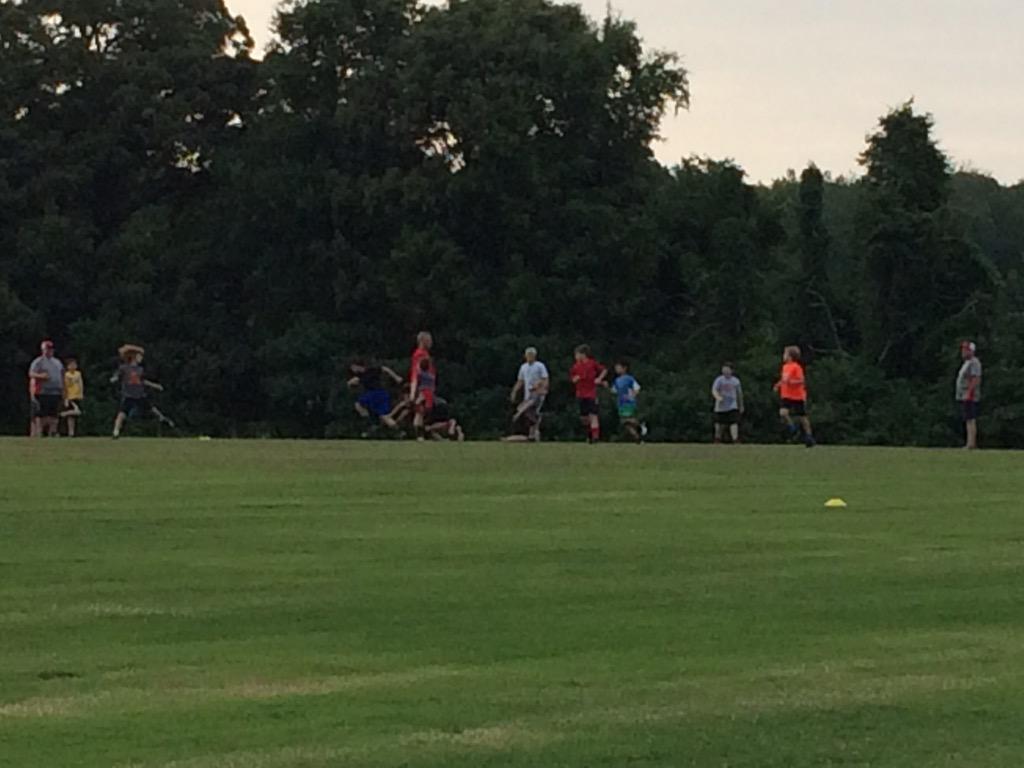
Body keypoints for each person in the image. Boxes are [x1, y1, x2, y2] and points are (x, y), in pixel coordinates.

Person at [110, 345, 174, 439]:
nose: (141, 358)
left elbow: (143, 381)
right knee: (122, 414)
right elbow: (117, 375)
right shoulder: (124, 368)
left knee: (151, 408)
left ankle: (162, 419)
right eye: (139, 356)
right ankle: (116, 432)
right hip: (128, 394)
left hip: (139, 394)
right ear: (134, 357)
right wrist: (114, 378)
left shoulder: (140, 369)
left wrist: (155, 385)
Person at [774, 345, 815, 447]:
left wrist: (791, 382)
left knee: (802, 416)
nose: (783, 356)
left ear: (790, 356)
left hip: (797, 396)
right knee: (783, 412)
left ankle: (809, 436)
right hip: (786, 394)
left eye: (785, 354)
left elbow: (801, 381)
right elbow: (784, 379)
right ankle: (792, 427)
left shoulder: (796, 367)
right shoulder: (785, 367)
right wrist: (778, 385)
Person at [507, 347, 549, 442]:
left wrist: (543, 388)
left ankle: (531, 429)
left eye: (531, 355)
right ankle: (533, 434)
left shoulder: (540, 366)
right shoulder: (523, 367)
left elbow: (545, 379)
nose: (529, 357)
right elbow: (520, 381)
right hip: (528, 394)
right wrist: (514, 391)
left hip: (537, 393)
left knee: (527, 409)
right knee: (531, 414)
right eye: (528, 355)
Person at [348, 360, 403, 431]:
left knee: (358, 404)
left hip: (376, 393)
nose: (353, 370)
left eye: (353, 368)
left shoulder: (371, 370)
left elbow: (385, 368)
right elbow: (357, 380)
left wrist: (396, 377)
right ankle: (400, 432)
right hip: (381, 394)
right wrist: (351, 383)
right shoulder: (361, 376)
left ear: (357, 366)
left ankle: (371, 422)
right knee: (384, 416)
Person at [570, 345, 607, 443]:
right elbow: (573, 378)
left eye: (577, 354)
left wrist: (599, 378)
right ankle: (589, 432)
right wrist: (576, 379)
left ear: (583, 354)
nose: (575, 357)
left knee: (593, 414)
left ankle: (595, 436)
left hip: (591, 393)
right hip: (580, 394)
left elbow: (604, 370)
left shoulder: (592, 363)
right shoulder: (576, 366)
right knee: (584, 418)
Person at [28, 340, 65, 437]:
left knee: (54, 413)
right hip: (42, 391)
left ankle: (52, 432)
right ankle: (39, 432)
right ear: (43, 350)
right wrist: (41, 376)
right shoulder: (38, 361)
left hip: (56, 392)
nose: (49, 351)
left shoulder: (57, 362)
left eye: (51, 349)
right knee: (41, 413)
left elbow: (62, 375)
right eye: (47, 349)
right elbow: (31, 373)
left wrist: (63, 389)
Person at [956, 341, 982, 450]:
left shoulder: (974, 362)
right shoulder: (967, 363)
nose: (963, 351)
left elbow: (975, 378)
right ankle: (969, 442)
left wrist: (969, 392)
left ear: (971, 351)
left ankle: (971, 443)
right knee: (967, 418)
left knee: (971, 419)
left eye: (966, 350)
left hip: (969, 395)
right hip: (964, 395)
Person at [610, 361, 644, 443]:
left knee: (627, 419)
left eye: (618, 368)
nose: (617, 370)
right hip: (621, 402)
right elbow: (614, 390)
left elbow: (637, 388)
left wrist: (632, 396)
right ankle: (636, 437)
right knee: (624, 423)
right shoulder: (617, 380)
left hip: (629, 402)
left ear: (624, 368)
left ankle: (640, 425)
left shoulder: (629, 379)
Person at [410, 332, 436, 440]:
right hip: (423, 387)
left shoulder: (425, 354)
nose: (431, 343)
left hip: (428, 387)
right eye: (428, 340)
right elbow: (416, 372)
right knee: (420, 411)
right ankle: (419, 435)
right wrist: (413, 391)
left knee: (424, 411)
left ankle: (421, 435)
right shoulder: (420, 354)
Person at [711, 363, 744, 444]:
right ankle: (717, 438)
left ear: (731, 371)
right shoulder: (719, 380)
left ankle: (735, 439)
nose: (725, 371)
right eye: (724, 369)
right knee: (719, 424)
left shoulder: (735, 381)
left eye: (727, 369)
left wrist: (741, 405)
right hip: (720, 406)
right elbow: (714, 390)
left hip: (732, 405)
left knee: (734, 422)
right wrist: (718, 397)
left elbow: (739, 394)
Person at [61, 357, 85, 437]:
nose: (73, 366)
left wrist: (81, 393)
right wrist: (66, 398)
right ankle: (70, 431)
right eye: (71, 365)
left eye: (74, 364)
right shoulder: (66, 375)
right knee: (74, 414)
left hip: (77, 395)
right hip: (70, 396)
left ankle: (72, 432)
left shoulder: (78, 374)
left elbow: (80, 384)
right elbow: (65, 386)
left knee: (74, 415)